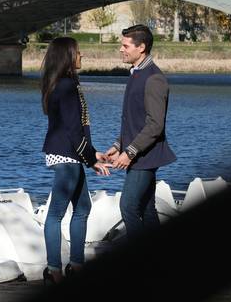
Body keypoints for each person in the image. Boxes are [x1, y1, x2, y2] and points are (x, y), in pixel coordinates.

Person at [40, 37, 109, 284]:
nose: (82, 56)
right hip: (67, 156)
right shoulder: (66, 85)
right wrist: (91, 159)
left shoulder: (63, 83)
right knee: (56, 213)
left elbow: (77, 128)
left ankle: (75, 265)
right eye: (78, 53)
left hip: (72, 154)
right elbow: (72, 129)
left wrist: (93, 153)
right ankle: (54, 270)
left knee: (82, 209)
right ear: (68, 57)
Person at [103, 25, 176, 236]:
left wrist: (130, 152)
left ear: (141, 47)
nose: (121, 49)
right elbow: (134, 120)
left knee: (128, 207)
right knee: (146, 209)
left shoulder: (153, 78)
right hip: (138, 153)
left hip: (144, 157)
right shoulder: (136, 73)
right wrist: (119, 146)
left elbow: (155, 125)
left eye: (125, 45)